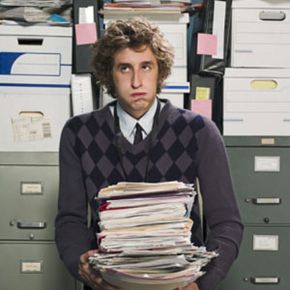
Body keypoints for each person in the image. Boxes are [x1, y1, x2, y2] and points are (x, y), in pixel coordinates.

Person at [55, 17, 243, 290]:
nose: (136, 81)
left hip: (180, 282)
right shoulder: (78, 132)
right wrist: (81, 266)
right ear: (110, 74)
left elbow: (227, 223)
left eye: (146, 66)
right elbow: (69, 221)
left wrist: (202, 283)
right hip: (108, 283)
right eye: (124, 68)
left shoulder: (199, 130)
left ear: (160, 71)